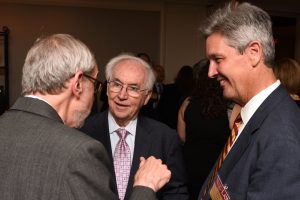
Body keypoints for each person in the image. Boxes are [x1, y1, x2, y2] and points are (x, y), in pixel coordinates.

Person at [0, 34, 171, 200]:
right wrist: (145, 187)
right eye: (96, 84)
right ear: (78, 84)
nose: (121, 95)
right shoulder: (79, 151)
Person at [198, 2, 300, 200]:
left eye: (218, 59)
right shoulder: (254, 115)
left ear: (254, 53)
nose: (210, 72)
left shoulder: (282, 136)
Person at [81, 53, 189, 200]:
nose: (122, 95)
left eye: (133, 88)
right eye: (117, 85)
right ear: (107, 89)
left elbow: (176, 194)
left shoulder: (165, 138)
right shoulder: (82, 131)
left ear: (146, 97)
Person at [177, 59, 230, 199]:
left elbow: (182, 136)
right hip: (218, 171)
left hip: (190, 167)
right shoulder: (231, 106)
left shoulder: (187, 103)